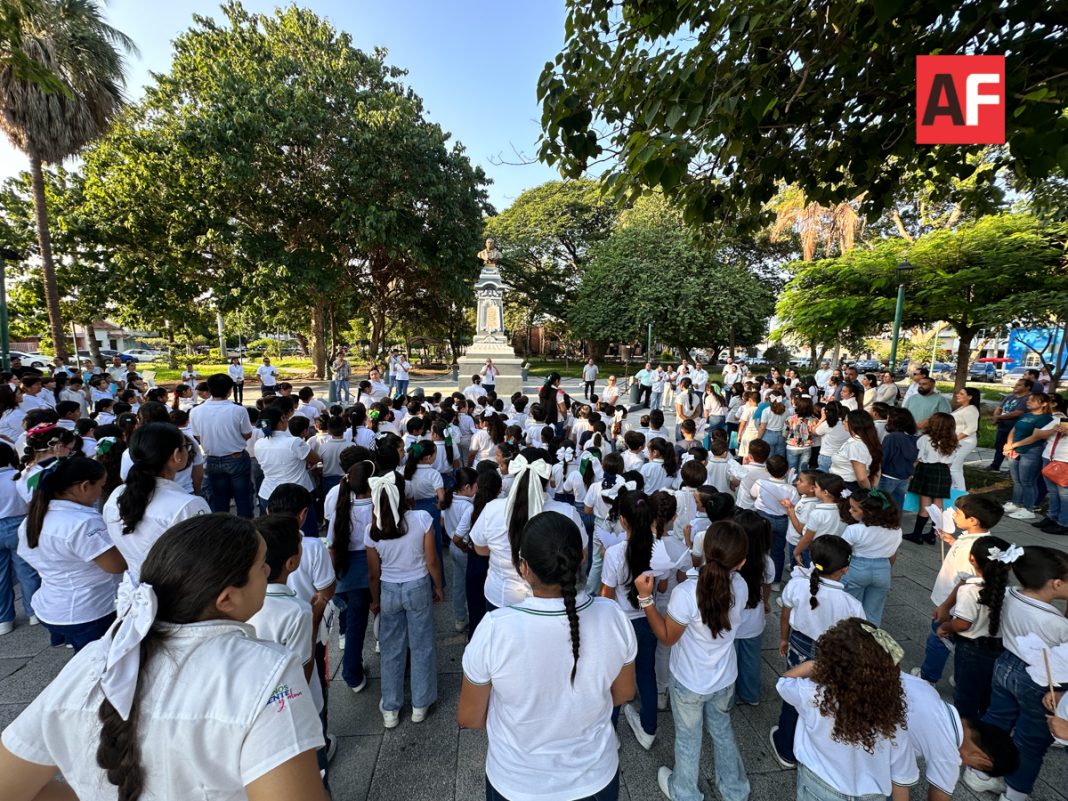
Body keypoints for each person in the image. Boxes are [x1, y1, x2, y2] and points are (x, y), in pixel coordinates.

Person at [0, 514, 329, 801]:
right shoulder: (267, 672)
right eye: (261, 566)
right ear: (227, 598)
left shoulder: (92, 661)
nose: (269, 569)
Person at [458, 511, 636, 801]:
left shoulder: (495, 629)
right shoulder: (613, 616)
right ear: (581, 559)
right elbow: (625, 693)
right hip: (595, 779)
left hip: (516, 782)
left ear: (524, 568)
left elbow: (469, 717)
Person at [636, 520, 752, 801]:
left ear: (704, 549)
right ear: (742, 562)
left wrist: (646, 599)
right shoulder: (742, 586)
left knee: (689, 738)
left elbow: (666, 636)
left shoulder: (686, 593)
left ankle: (685, 791)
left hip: (689, 680)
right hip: (724, 678)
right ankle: (735, 789)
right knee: (722, 729)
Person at [776, 618, 911, 800]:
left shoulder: (815, 694)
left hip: (819, 785)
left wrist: (812, 665)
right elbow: (901, 778)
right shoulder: (891, 716)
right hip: (871, 794)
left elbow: (784, 683)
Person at [975, 547, 1068, 801]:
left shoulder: (1009, 594)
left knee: (996, 720)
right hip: (1039, 682)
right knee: (1031, 740)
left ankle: (980, 773)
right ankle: (1014, 795)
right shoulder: (1057, 622)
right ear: (1057, 583)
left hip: (1005, 665)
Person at [770, 535, 865, 768]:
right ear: (845, 569)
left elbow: (785, 614)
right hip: (832, 655)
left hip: (799, 647)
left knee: (795, 694)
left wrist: (784, 638)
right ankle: (817, 748)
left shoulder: (796, 585)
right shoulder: (852, 604)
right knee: (825, 698)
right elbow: (856, 639)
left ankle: (786, 748)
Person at [16, 456, 127, 650]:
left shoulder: (33, 519)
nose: (102, 491)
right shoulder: (82, 522)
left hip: (52, 605)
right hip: (88, 611)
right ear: (84, 486)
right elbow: (116, 565)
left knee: (82, 659)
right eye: (101, 486)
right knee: (96, 666)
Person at [365, 469, 443, 728]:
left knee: (391, 649)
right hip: (418, 585)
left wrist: (375, 601)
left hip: (388, 589)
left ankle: (391, 707)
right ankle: (420, 703)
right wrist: (439, 586)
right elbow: (431, 560)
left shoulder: (372, 528)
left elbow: (373, 574)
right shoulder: (421, 519)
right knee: (421, 645)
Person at [469, 447, 582, 610]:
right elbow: (581, 555)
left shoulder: (491, 509)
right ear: (548, 476)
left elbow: (480, 549)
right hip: (552, 601)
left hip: (501, 597)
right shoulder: (567, 512)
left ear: (515, 472)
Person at [912, 494, 1004, 685]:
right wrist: (952, 541)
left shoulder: (969, 548)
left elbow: (964, 581)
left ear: (973, 520)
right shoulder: (981, 541)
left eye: (958, 512)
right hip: (961, 605)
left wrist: (945, 607)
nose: (953, 514)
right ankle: (961, 677)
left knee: (939, 640)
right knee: (960, 643)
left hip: (954, 605)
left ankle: (928, 677)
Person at [102, 422, 211, 581]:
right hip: (178, 592)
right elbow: (206, 558)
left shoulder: (116, 496)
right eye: (185, 446)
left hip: (135, 589)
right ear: (176, 455)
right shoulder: (187, 505)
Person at [600, 491, 663, 751]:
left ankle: (611, 734)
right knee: (646, 675)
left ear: (623, 521)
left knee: (614, 679)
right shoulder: (658, 547)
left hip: (621, 624)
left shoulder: (615, 553)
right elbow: (662, 584)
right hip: (649, 619)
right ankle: (649, 729)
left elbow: (607, 594)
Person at [935, 535, 1012, 722]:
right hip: (999, 648)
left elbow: (962, 623)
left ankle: (964, 733)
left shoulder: (970, 590)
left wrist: (946, 626)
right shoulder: (1009, 590)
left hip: (971, 649)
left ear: (972, 559)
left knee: (966, 696)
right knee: (988, 694)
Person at [325, 457, 375, 694]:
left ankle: (351, 673)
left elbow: (333, 546)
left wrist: (336, 574)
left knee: (355, 625)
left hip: (350, 571)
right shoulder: (378, 506)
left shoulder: (343, 508)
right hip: (379, 568)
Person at [189, 373, 254, 518]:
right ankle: (248, 532)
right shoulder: (238, 410)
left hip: (211, 459)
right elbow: (247, 434)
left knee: (219, 501)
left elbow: (198, 436)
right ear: (230, 390)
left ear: (209, 390)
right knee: (243, 498)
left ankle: (222, 533)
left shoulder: (195, 411)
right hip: (236, 458)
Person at [840, 488, 902, 626]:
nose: (850, 511)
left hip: (856, 569)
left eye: (854, 509)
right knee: (874, 612)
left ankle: (848, 637)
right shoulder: (896, 530)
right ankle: (870, 640)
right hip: (883, 570)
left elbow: (841, 551)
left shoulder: (854, 530)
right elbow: (892, 554)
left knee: (849, 608)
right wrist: (888, 570)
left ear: (869, 513)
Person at [733, 510, 774, 706]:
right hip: (754, 621)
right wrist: (765, 602)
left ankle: (727, 697)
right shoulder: (767, 562)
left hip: (731, 622)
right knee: (751, 660)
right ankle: (751, 694)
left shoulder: (730, 560)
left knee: (728, 661)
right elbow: (767, 588)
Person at [905, 412, 959, 543]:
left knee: (925, 505)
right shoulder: (952, 440)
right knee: (938, 505)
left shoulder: (925, 439)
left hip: (926, 469)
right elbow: (951, 461)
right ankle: (932, 534)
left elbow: (918, 456)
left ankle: (916, 534)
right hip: (943, 470)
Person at [255, 407, 317, 519]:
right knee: (304, 534)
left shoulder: (259, 443)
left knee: (274, 533)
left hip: (268, 492)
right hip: (296, 495)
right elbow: (315, 458)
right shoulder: (294, 442)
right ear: (282, 419)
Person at [0, 442, 36, 636]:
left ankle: (3, 620)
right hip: (18, 525)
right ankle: (33, 613)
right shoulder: (18, 477)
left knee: (0, 576)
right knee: (27, 571)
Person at [1003, 392, 1054, 521]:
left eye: (1033, 400)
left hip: (1032, 451)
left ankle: (1028, 508)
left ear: (1043, 404)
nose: (1028, 401)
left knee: (1028, 481)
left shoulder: (1046, 418)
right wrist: (1009, 444)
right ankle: (1016, 503)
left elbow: (1034, 437)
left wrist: (1013, 445)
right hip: (1015, 449)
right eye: (1028, 399)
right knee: (1017, 480)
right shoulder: (1026, 415)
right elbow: (1014, 430)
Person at [987, 378, 1035, 471]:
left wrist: (998, 417)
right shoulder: (1010, 397)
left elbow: (1018, 412)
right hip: (1003, 426)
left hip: (1015, 427)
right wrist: (996, 416)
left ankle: (1013, 468)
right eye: (1016, 384)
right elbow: (999, 408)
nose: (1016, 386)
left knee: (1014, 448)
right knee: (999, 446)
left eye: (1019, 385)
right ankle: (995, 465)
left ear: (1028, 387)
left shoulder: (1026, 399)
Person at [878, 408, 919, 512]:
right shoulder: (914, 438)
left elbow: (883, 459)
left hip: (887, 477)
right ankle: (895, 527)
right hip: (903, 478)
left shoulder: (892, 437)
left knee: (881, 508)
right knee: (897, 508)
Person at [948, 387, 981, 492]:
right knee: (956, 467)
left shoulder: (971, 410)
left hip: (964, 442)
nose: (958, 395)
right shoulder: (962, 408)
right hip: (957, 441)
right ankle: (955, 489)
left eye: (961, 394)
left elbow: (971, 428)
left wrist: (955, 439)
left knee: (953, 467)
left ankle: (960, 492)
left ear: (970, 397)